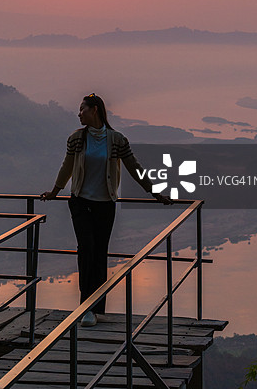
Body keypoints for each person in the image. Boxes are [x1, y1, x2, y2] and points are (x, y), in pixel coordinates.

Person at [40, 92, 172, 327]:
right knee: (87, 249)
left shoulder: (117, 140)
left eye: (82, 109)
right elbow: (67, 166)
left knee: (100, 254)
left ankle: (95, 308)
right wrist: (54, 192)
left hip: (105, 205)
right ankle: (86, 308)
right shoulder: (76, 139)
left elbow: (134, 167)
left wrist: (154, 192)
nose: (79, 114)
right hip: (80, 202)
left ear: (95, 110)